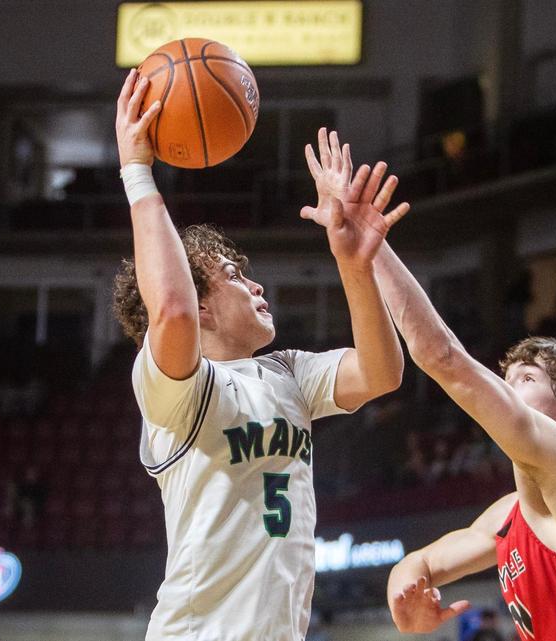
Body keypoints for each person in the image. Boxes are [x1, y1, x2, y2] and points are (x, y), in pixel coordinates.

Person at [299, 140, 556, 640]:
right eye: (506, 380)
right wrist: (404, 594)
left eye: (526, 381)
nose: (506, 391)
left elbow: (443, 358)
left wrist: (371, 248)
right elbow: (421, 562)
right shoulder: (510, 516)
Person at [113, 71, 406, 641]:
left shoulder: (286, 372)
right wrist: (137, 170)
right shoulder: (175, 390)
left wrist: (353, 263)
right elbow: (170, 309)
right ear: (200, 306)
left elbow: (381, 372)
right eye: (235, 277)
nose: (257, 286)